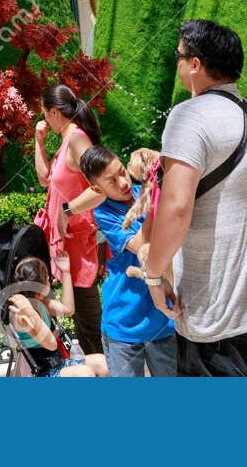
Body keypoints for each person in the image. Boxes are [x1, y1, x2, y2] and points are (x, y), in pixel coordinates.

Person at [139, 20, 247, 377]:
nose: (176, 64)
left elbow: (176, 208)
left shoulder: (189, 116)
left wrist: (154, 276)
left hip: (220, 314)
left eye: (178, 57)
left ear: (195, 65)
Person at [78, 144, 176, 376]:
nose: (123, 182)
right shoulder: (104, 213)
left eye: (122, 171)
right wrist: (154, 199)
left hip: (163, 319)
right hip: (124, 323)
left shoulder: (144, 191)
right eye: (111, 181)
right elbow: (143, 246)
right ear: (96, 188)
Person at [34, 84, 105, 366]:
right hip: (66, 243)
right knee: (80, 319)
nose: (44, 120)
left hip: (78, 241)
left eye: (44, 114)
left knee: (88, 320)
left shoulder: (77, 140)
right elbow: (44, 178)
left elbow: (100, 187)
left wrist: (67, 210)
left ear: (54, 112)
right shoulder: (65, 142)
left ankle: (105, 372)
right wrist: (38, 141)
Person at [5, 254, 94, 377]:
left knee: (101, 362)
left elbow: (68, 310)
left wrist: (65, 272)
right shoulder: (21, 314)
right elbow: (51, 344)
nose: (51, 282)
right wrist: (30, 311)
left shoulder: (41, 302)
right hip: (44, 372)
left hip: (59, 364)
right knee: (85, 373)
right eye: (48, 279)